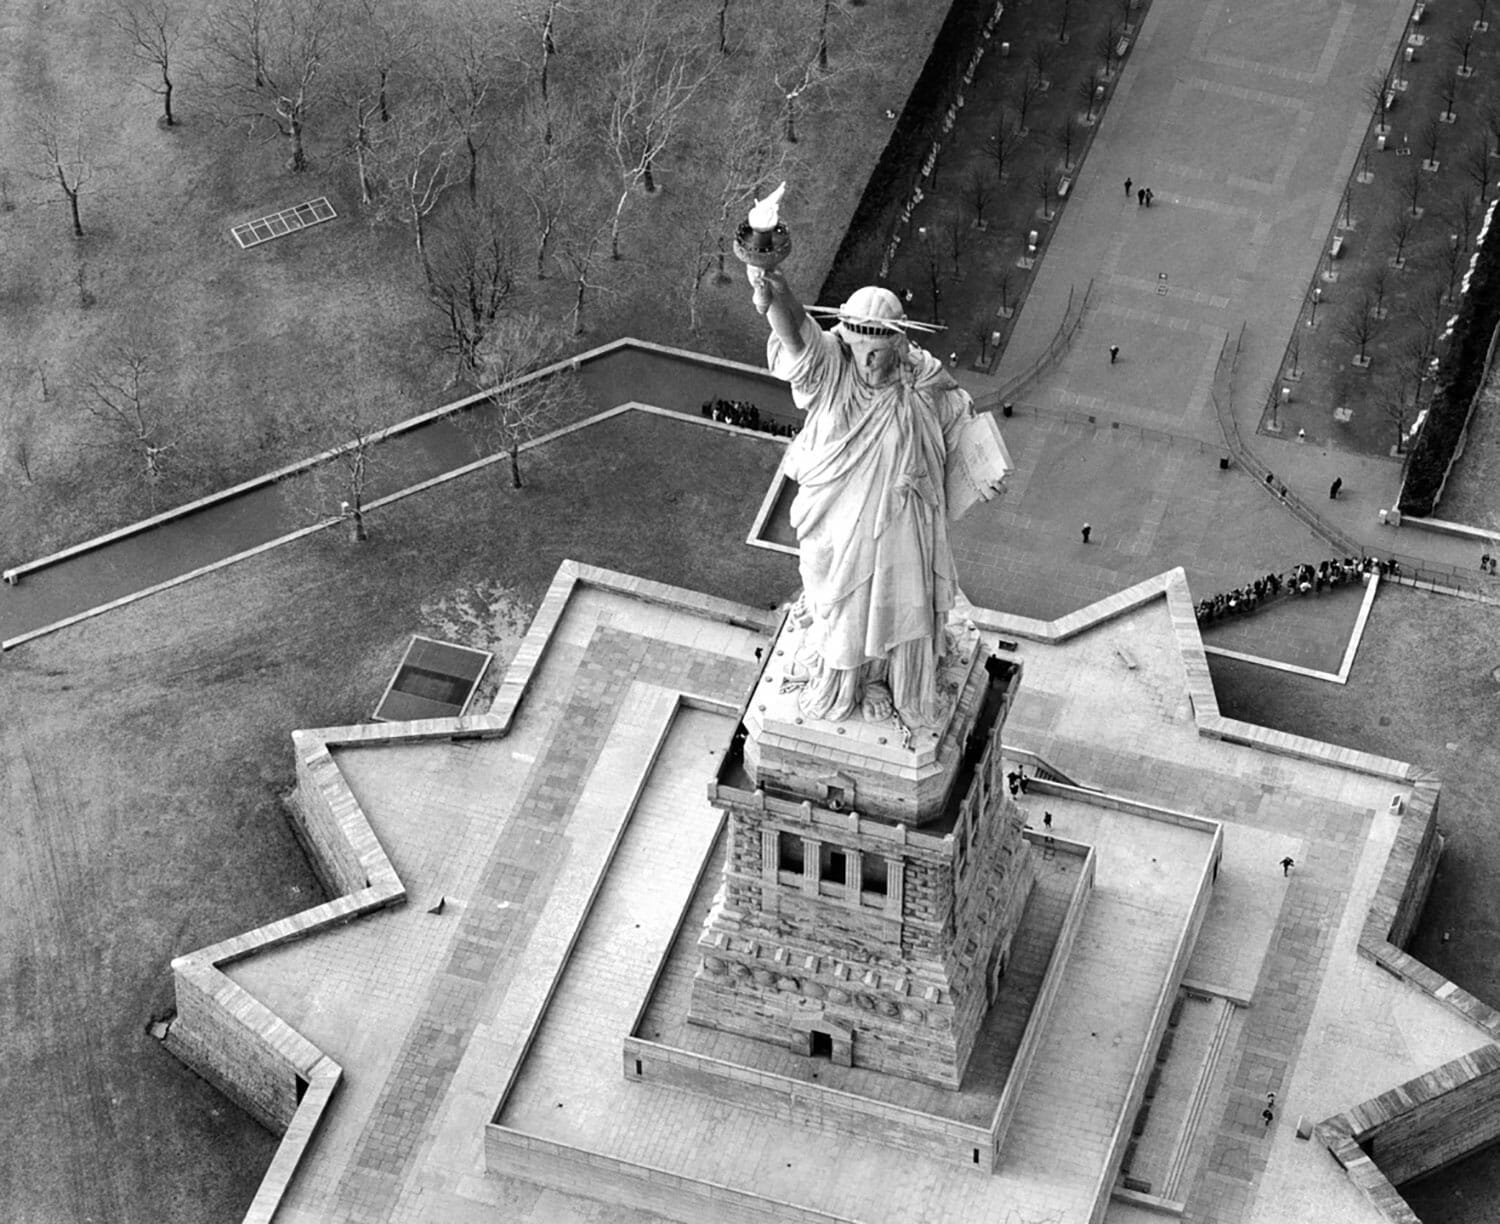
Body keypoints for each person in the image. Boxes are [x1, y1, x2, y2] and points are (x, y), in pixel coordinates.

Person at [747, 269, 984, 726]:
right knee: (831, 589)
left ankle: (874, 678)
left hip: (899, 516)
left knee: (890, 595)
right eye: (861, 350)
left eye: (880, 351)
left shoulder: (921, 376)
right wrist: (777, 292)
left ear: (898, 343)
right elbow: (797, 335)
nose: (870, 363)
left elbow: (960, 422)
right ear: (846, 338)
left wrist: (984, 471)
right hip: (835, 512)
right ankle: (839, 675)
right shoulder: (832, 366)